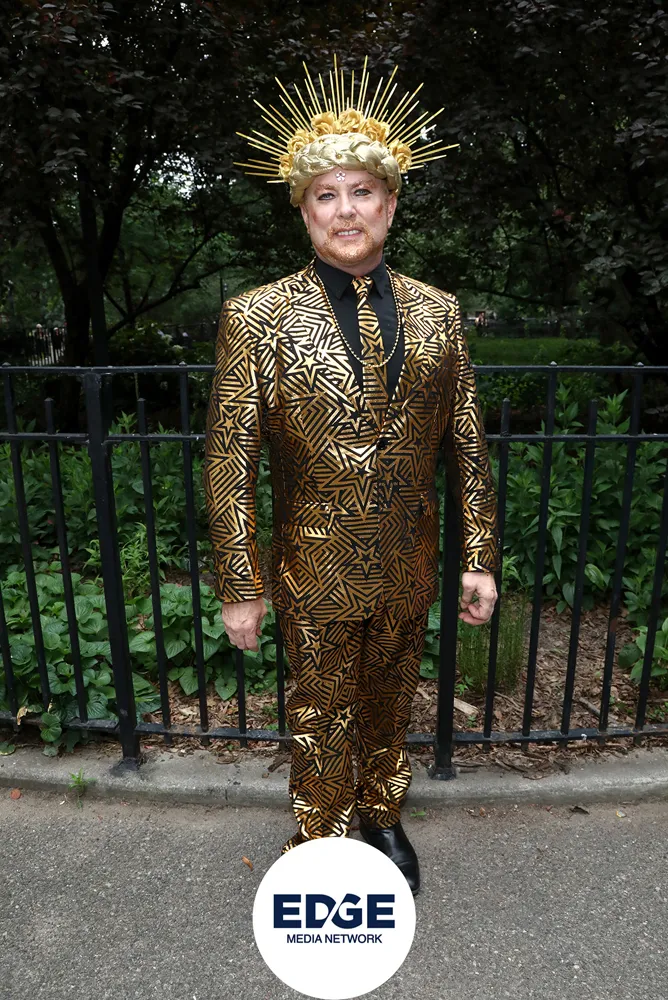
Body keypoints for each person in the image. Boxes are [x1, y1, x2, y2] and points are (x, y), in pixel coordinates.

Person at [203, 57, 500, 896]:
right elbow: (230, 457)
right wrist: (241, 583)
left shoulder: (440, 312)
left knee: (390, 699)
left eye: (361, 192)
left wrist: (480, 557)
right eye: (326, 196)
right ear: (304, 211)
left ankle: (382, 811)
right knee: (319, 709)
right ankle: (321, 837)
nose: (345, 210)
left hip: (407, 558)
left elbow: (467, 444)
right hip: (313, 563)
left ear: (390, 204)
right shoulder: (257, 316)